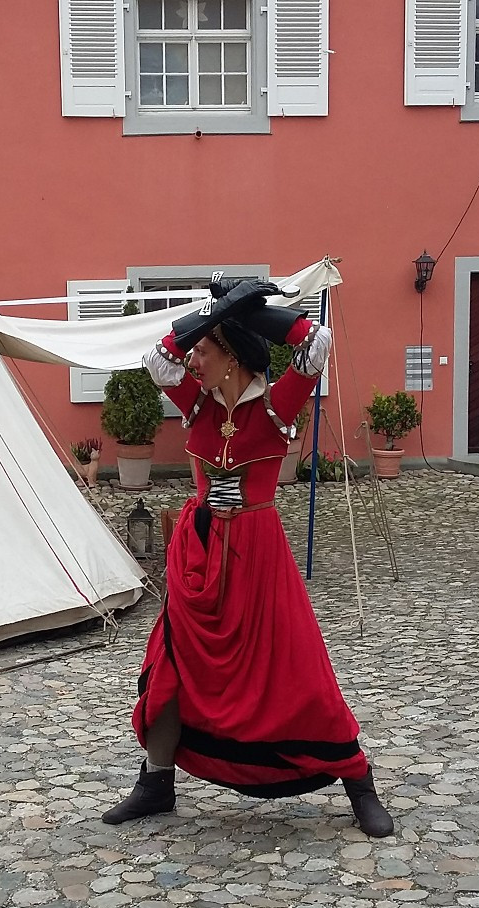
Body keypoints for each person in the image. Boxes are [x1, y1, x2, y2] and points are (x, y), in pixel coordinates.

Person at [102, 277, 393, 837]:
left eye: (205, 351)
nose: (193, 361)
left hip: (258, 555)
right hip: (199, 551)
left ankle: (358, 780)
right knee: (170, 663)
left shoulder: (276, 403)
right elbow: (156, 361)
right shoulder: (197, 403)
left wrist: (252, 316)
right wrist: (216, 314)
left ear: (231, 356)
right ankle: (157, 780)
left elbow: (318, 344)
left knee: (297, 669)